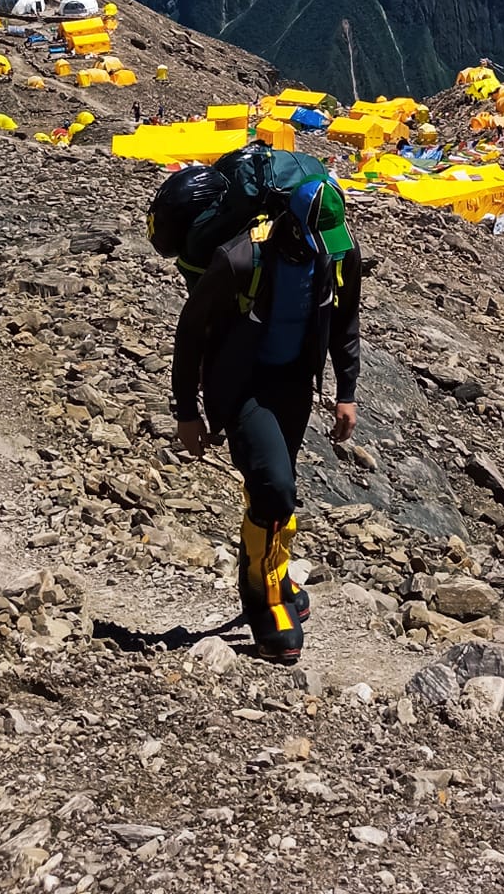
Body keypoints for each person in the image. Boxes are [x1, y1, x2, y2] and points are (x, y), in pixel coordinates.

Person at [170, 177, 362, 662]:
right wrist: (188, 412)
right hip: (241, 385)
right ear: (294, 227)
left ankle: (277, 577)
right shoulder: (240, 259)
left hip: (294, 383)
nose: (330, 248)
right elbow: (191, 332)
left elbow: (344, 322)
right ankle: (266, 604)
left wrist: (347, 393)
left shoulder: (338, 253)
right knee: (275, 487)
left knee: (274, 489)